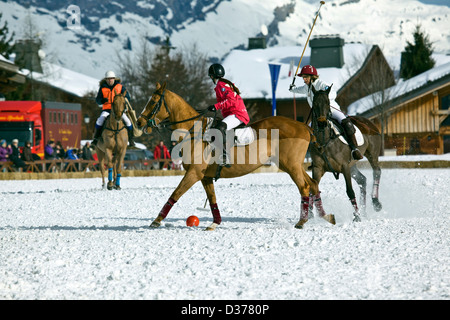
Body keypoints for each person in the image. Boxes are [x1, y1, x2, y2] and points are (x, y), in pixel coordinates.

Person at [289, 65, 363, 160]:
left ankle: (354, 149)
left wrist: (324, 98)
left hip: (331, 110)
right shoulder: (306, 87)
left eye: (306, 77)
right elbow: (297, 90)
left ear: (312, 76)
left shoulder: (321, 84)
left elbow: (333, 93)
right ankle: (314, 158)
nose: (304, 79)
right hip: (317, 114)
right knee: (308, 131)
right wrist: (292, 88)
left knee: (347, 124)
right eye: (303, 77)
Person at [207, 63, 250, 167]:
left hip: (237, 114)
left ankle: (224, 156)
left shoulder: (221, 86)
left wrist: (216, 106)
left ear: (212, 76)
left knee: (220, 127)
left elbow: (231, 100)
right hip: (234, 113)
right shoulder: (224, 84)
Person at [92, 70, 135, 147]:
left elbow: (127, 97)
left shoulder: (120, 87)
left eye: (111, 78)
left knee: (128, 122)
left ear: (114, 79)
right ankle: (96, 138)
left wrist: (123, 101)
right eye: (108, 79)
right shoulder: (102, 88)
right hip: (107, 110)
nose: (110, 80)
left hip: (118, 110)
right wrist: (102, 100)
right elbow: (97, 100)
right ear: (106, 79)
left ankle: (131, 140)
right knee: (100, 120)